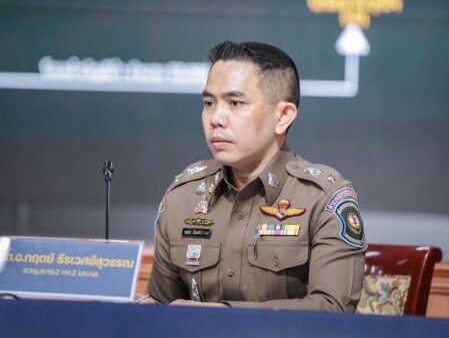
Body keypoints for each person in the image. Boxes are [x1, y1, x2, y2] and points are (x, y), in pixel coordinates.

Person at [145, 41, 365, 311]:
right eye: (209, 103)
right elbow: (160, 308)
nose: (216, 118)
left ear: (282, 116)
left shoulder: (323, 199)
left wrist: (228, 315)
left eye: (235, 103)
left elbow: (332, 309)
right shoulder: (184, 195)